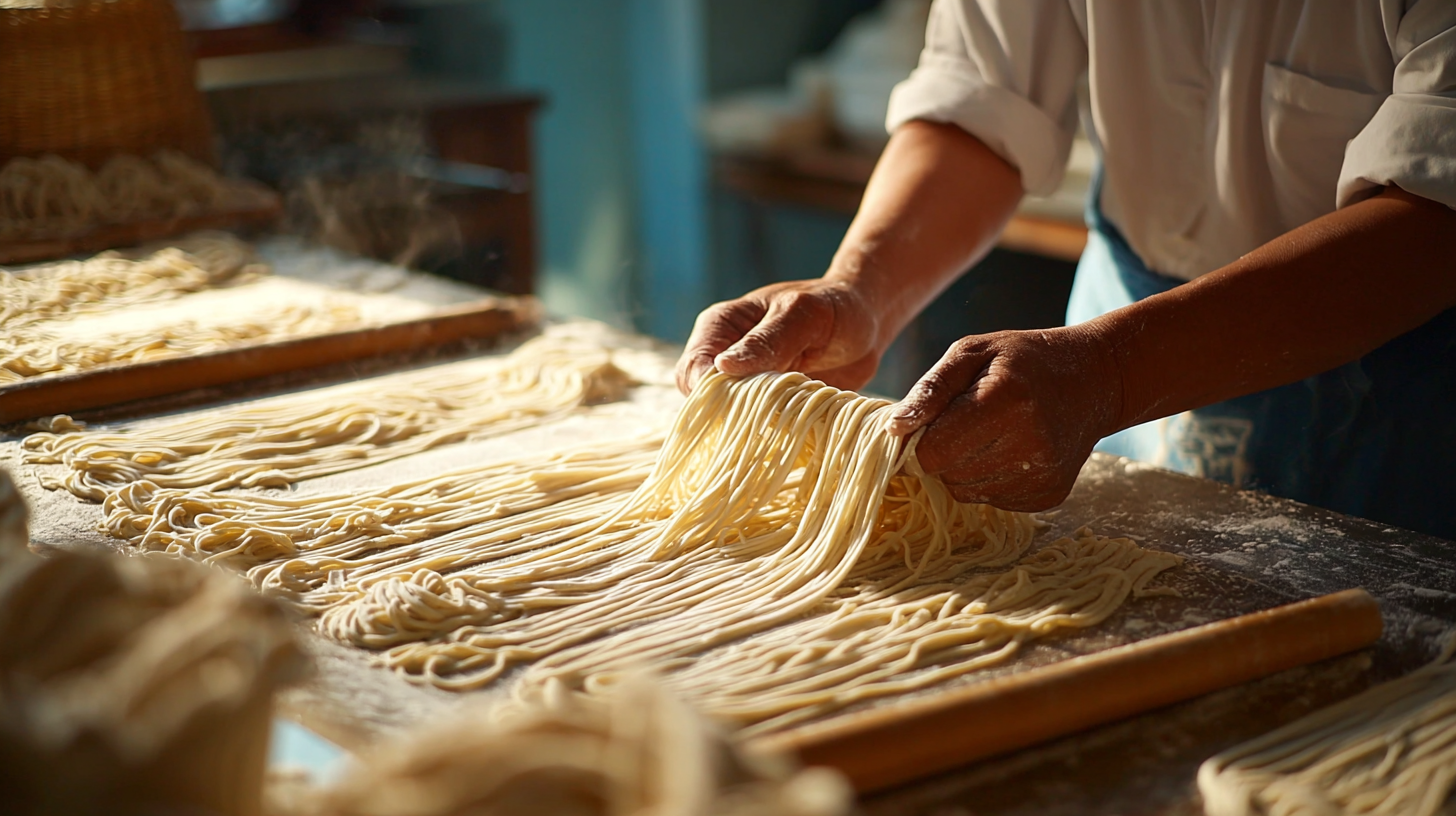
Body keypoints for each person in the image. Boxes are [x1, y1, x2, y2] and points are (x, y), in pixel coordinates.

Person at [676, 1, 1456, 539]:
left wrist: (1113, 371)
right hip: (1123, 315)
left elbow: (1436, 209)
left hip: (1408, 372)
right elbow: (982, 102)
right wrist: (858, 290)